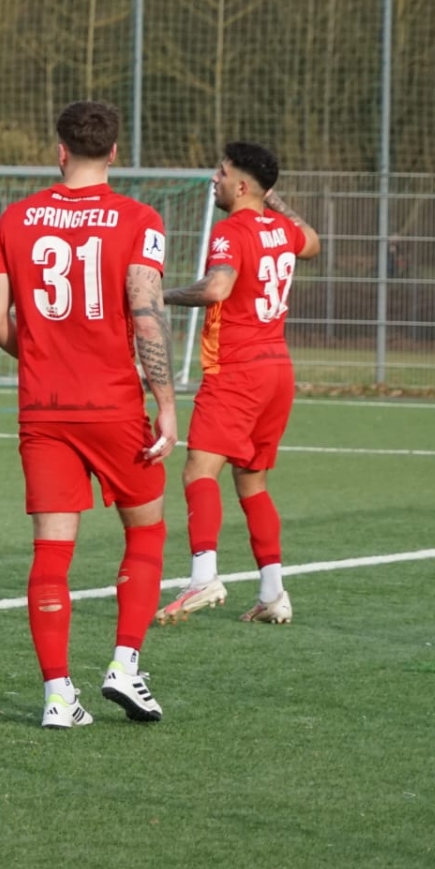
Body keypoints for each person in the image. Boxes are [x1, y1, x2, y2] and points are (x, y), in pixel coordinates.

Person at [0, 100, 180, 730]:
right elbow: (146, 314)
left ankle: (57, 697)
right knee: (145, 531)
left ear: (60, 150)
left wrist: (45, 356)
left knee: (51, 551)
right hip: (113, 404)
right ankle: (124, 663)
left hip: (43, 410)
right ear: (114, 152)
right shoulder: (140, 219)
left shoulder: (13, 219)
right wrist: (167, 404)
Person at [158, 141, 321, 626]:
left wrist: (158, 296)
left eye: (223, 173)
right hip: (277, 370)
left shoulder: (231, 230)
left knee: (198, 472)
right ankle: (273, 593)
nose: (215, 179)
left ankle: (203, 577)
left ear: (243, 185)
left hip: (238, 369)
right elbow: (313, 242)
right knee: (252, 482)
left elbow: (216, 288)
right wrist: (273, 198)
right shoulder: (281, 228)